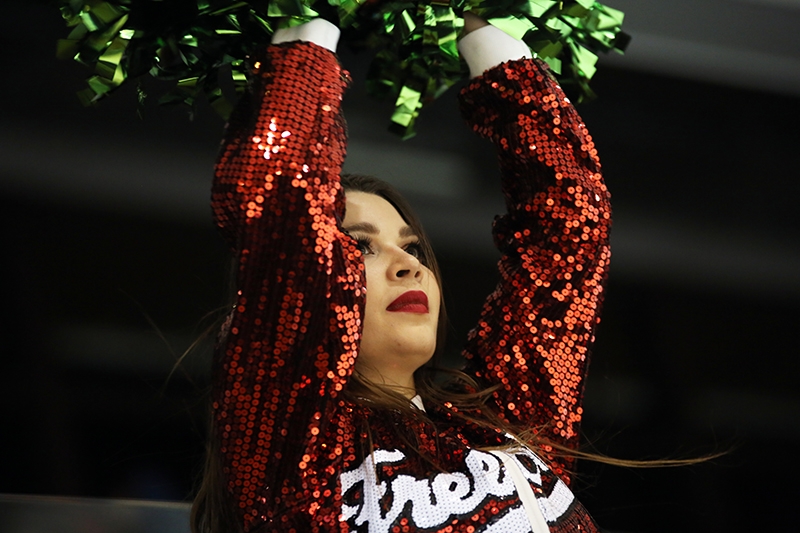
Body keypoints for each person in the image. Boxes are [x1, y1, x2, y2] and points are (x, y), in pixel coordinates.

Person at [192, 11, 611, 533]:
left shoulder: (506, 422)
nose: (408, 265)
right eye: (360, 247)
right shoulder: (285, 437)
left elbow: (570, 228)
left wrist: (484, 31)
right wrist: (313, 24)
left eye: (413, 247)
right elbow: (276, 204)